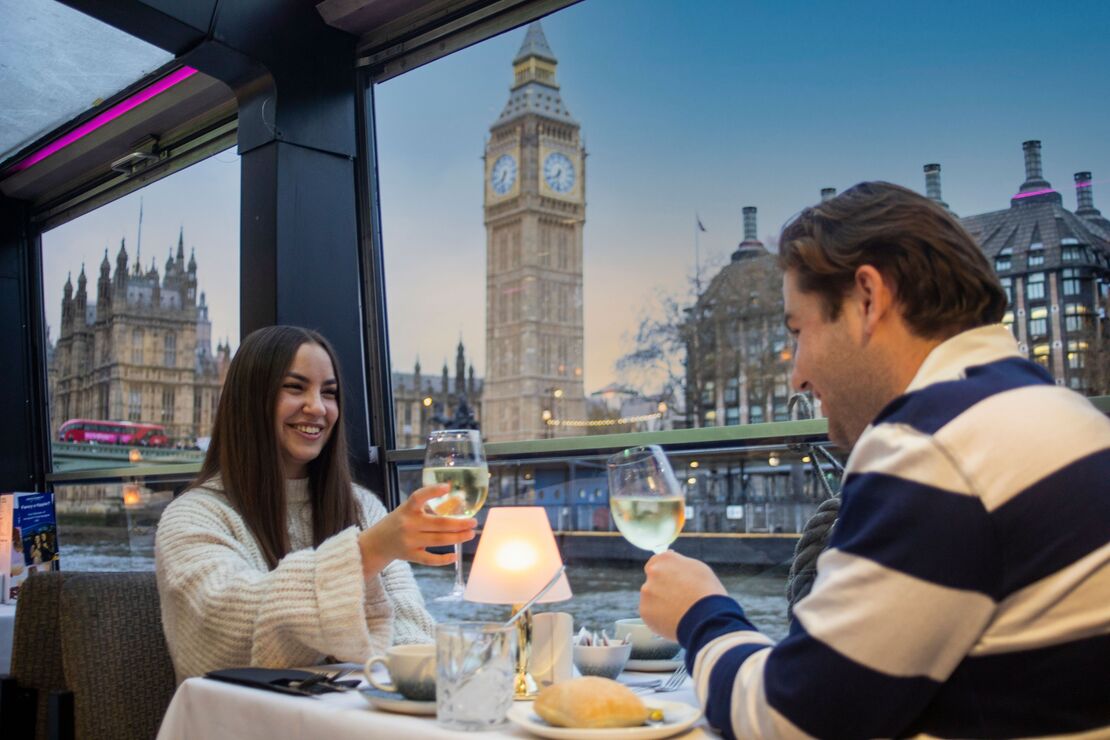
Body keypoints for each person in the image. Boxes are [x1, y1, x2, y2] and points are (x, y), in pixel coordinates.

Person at [639, 182, 1110, 738]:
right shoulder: (1070, 417)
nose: (797, 374)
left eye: (799, 331)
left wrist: (701, 613)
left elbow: (789, 721)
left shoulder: (931, 446)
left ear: (868, 298)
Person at [156, 326, 475, 681]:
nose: (317, 407)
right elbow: (226, 633)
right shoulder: (193, 516)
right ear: (248, 399)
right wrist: (365, 554)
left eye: (330, 393)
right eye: (295, 387)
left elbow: (407, 626)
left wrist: (436, 677)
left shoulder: (363, 506)